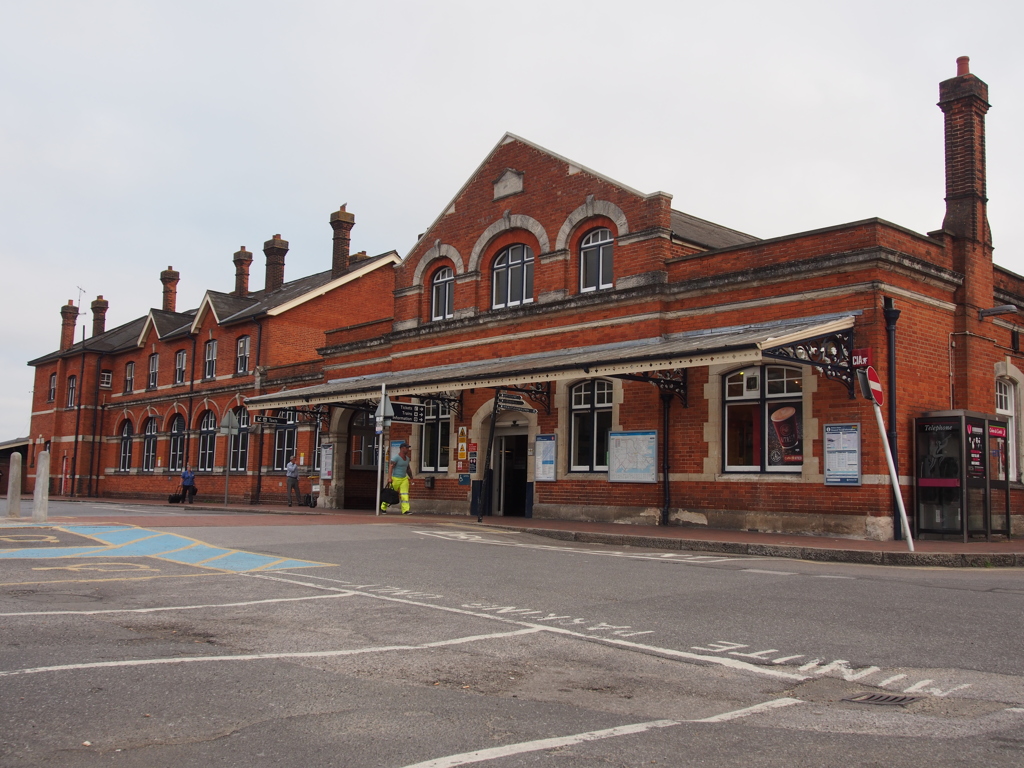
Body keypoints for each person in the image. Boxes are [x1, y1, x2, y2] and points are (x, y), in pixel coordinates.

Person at [381, 442, 414, 515]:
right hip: (396, 478)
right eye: (406, 448)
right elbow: (391, 467)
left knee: (405, 494)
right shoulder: (396, 458)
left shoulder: (407, 459)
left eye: (408, 448)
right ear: (402, 449)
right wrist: (389, 478)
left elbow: (408, 469)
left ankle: (405, 510)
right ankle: (383, 507)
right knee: (390, 493)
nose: (408, 449)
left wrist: (411, 477)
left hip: (404, 479)